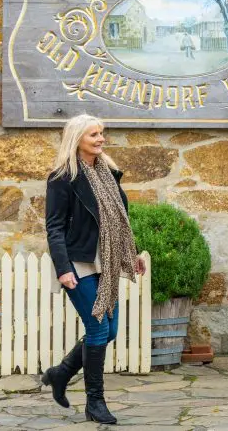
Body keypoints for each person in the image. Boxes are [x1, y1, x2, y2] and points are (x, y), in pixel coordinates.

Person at [43, 114, 145, 424]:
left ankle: (60, 374)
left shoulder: (108, 173)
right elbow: (54, 227)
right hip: (78, 261)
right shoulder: (62, 177)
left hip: (107, 260)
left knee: (109, 330)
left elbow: (118, 221)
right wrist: (63, 268)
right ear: (77, 140)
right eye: (93, 135)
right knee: (99, 328)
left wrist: (132, 252)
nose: (100, 139)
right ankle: (95, 402)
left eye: (101, 133)